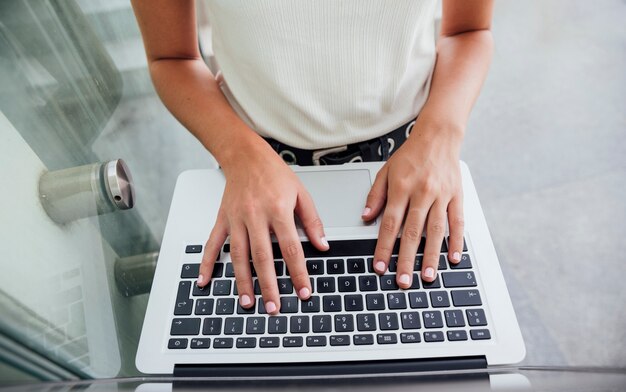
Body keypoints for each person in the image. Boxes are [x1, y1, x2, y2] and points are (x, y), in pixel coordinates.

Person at [131, 0, 494, 315]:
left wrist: (440, 138)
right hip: (253, 166)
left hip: (411, 160)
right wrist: (239, 154)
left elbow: (468, 31)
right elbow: (170, 57)